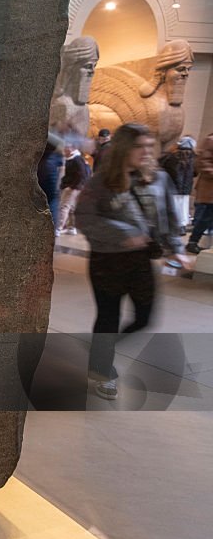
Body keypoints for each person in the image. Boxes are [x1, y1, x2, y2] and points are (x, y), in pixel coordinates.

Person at [76, 123, 190, 400]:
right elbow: (85, 219)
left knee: (144, 317)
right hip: (108, 261)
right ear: (124, 148)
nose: (146, 152)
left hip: (141, 261)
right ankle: (104, 370)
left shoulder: (159, 179)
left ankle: (100, 350)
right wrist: (125, 234)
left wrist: (175, 248)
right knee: (109, 317)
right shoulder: (102, 182)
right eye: (140, 146)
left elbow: (169, 219)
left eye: (150, 146)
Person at [159, 136, 195, 234]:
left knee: (173, 208)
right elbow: (195, 173)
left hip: (174, 187)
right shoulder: (193, 158)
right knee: (182, 209)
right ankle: (181, 227)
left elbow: (162, 167)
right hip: (184, 188)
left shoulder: (171, 156)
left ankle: (175, 227)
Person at [185, 132, 213, 255]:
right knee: (205, 217)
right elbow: (203, 162)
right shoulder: (211, 140)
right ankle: (193, 242)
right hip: (210, 187)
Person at [57, 140, 90, 235]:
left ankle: (58, 228)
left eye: (67, 147)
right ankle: (71, 227)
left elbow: (82, 175)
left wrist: (71, 187)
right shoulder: (73, 158)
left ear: (73, 148)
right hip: (74, 187)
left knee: (64, 206)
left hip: (72, 187)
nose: (65, 148)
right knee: (71, 208)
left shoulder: (77, 159)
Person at [38, 131, 64, 232]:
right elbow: (62, 168)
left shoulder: (42, 155)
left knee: (50, 202)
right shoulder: (55, 155)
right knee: (52, 203)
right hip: (50, 179)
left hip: (44, 178)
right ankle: (51, 229)